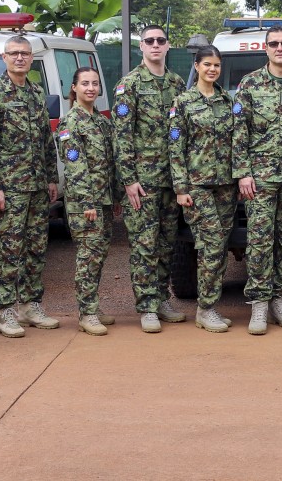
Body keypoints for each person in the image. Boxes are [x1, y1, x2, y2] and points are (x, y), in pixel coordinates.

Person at [232, 24, 282, 335]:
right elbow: (239, 131)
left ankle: (280, 299)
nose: (280, 48)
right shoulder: (250, 84)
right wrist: (242, 172)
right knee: (259, 242)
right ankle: (259, 304)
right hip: (260, 179)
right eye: (274, 43)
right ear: (265, 48)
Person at [0, 36, 60, 338]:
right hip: (9, 189)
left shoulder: (37, 93)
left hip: (37, 186)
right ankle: (5, 311)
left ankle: (30, 305)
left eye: (25, 53)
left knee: (36, 248)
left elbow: (45, 141)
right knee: (8, 250)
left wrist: (52, 178)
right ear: (5, 57)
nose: (20, 58)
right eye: (15, 53)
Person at [112, 24, 188, 333]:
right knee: (144, 245)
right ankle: (146, 306)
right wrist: (129, 180)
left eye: (161, 40)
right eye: (149, 41)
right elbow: (121, 135)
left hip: (171, 180)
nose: (155, 45)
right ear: (141, 47)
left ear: (168, 46)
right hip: (142, 182)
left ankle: (160, 297)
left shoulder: (176, 83)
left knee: (166, 244)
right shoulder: (129, 84)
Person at [169, 46, 237, 333]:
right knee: (210, 245)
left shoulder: (227, 101)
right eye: (207, 64)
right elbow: (175, 147)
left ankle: (210, 306)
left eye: (217, 65)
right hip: (197, 186)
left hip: (225, 186)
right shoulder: (183, 102)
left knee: (219, 247)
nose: (212, 69)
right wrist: (180, 187)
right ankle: (206, 308)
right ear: (196, 66)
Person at [58, 67, 122, 336]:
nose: (90, 88)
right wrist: (87, 203)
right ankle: (86, 313)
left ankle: (92, 306)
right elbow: (75, 167)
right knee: (88, 256)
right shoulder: (70, 123)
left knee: (99, 256)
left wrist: (115, 197)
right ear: (74, 88)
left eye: (95, 83)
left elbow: (111, 163)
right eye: (85, 83)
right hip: (86, 204)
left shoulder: (102, 121)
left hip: (104, 200)